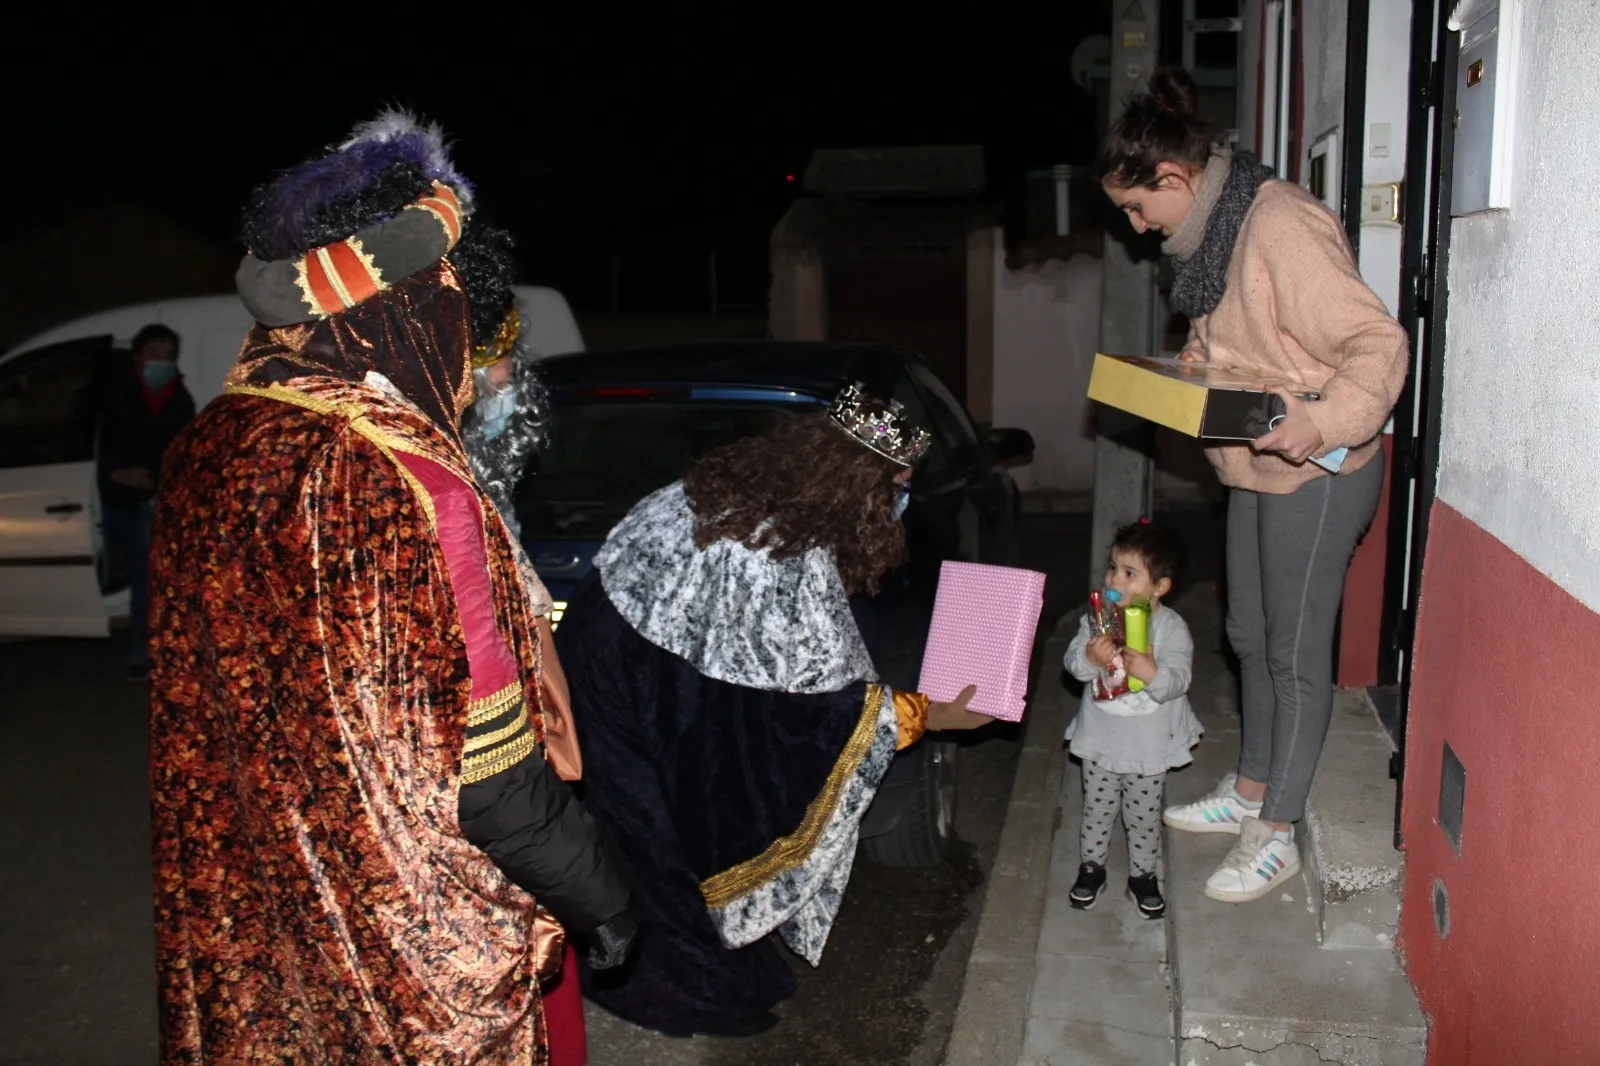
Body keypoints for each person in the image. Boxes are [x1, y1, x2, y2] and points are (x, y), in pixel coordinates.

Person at [147, 111, 634, 1065]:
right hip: (398, 934)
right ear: (411, 309)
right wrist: (602, 895)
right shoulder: (408, 479)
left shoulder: (207, 444)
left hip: (251, 894)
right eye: (452, 309)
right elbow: (484, 770)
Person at [554, 386, 986, 1038]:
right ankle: (678, 991)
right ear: (857, 483)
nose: (899, 502)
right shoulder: (785, 560)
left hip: (596, 663)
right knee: (657, 845)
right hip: (639, 687)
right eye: (895, 486)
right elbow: (825, 714)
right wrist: (929, 716)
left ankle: (636, 958)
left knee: (627, 834)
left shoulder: (715, 492)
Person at [1096, 68, 1408, 904]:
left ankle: (1279, 833)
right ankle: (1253, 788)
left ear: (1174, 179)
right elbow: (1249, 341)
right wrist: (1200, 363)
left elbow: (1378, 346)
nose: (1134, 227)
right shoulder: (1212, 233)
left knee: (1292, 655)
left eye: (1136, 207)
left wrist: (1327, 418)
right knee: (1245, 631)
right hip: (1254, 466)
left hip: (1318, 470)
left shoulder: (1279, 225)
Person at [460, 289, 587, 1066]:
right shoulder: (439, 492)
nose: (504, 386)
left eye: (510, 370)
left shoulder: (486, 491)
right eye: (488, 370)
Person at [1064, 520, 1199, 920]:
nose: (1115, 579)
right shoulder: (1096, 619)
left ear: (1159, 587)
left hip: (1147, 745)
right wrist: (1090, 658)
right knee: (1097, 809)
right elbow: (1073, 663)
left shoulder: (1171, 628)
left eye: (1129, 573)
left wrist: (1153, 672)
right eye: (1112, 568)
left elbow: (1180, 679)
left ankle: (1143, 875)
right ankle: (1092, 868)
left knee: (1142, 816)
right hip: (1102, 739)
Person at [97, 322, 194, 677]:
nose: (162, 361)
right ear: (137, 356)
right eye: (156, 353)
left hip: (160, 499)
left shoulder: (178, 398)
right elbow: (96, 447)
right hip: (123, 500)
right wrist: (118, 472)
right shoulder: (114, 396)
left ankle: (158, 649)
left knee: (157, 578)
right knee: (144, 575)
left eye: (169, 355)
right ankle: (143, 649)